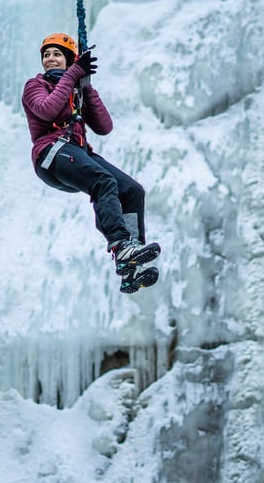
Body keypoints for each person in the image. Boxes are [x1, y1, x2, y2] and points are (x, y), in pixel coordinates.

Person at [22, 33, 161, 294]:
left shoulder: (76, 90)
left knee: (132, 190)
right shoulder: (34, 85)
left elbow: (104, 127)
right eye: (46, 55)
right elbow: (47, 110)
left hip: (76, 150)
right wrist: (74, 74)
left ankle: (132, 262)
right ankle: (121, 246)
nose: (50, 59)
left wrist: (86, 87)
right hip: (50, 152)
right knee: (103, 181)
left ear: (68, 59)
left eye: (57, 55)